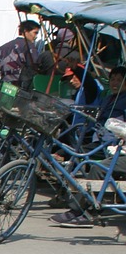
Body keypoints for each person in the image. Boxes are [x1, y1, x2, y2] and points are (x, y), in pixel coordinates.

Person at [51, 65, 126, 227]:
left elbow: (90, 83)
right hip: (103, 142)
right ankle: (69, 198)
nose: (115, 83)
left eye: (119, 80)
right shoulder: (109, 99)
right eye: (113, 79)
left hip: (116, 146)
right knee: (74, 154)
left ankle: (83, 211)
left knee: (96, 168)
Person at [0, 20, 45, 88]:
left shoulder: (7, 45)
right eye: (35, 33)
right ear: (25, 31)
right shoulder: (29, 46)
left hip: (4, 83)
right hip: (19, 85)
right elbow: (35, 64)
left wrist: (1, 66)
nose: (36, 36)